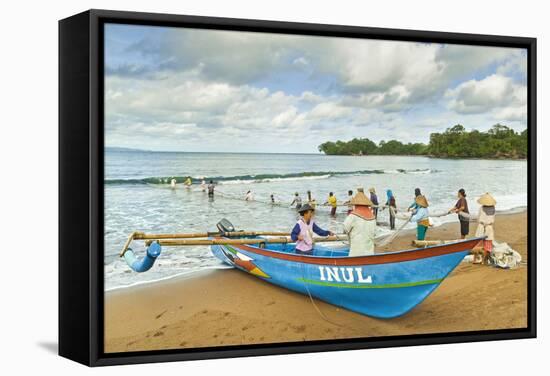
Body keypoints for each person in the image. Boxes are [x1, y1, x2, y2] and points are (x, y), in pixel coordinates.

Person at [343, 191, 377, 256]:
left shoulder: (353, 216)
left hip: (356, 252)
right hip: (369, 252)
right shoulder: (372, 217)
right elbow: (375, 232)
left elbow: (345, 228)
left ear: (356, 204)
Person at [475, 193, 497, 265]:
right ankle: (485, 260)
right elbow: (493, 218)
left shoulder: (481, 208)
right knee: (488, 244)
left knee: (478, 244)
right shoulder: (493, 208)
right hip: (489, 227)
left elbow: (478, 218)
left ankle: (477, 259)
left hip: (481, 226)